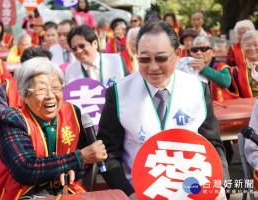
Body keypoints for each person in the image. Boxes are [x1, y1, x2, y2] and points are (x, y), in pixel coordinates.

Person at [97, 20, 229, 200]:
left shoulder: (197, 88)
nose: (153, 67)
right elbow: (108, 152)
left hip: (191, 190)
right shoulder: (118, 93)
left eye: (161, 58)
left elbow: (213, 143)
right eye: (144, 59)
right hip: (141, 192)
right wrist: (127, 193)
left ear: (178, 54)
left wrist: (220, 184)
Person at [0, 57, 108, 199]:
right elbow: (25, 169)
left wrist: (69, 169)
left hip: (66, 192)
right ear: (25, 94)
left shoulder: (72, 112)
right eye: (41, 89)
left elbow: (87, 160)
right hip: (22, 194)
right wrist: (77, 159)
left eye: (56, 87)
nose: (50, 95)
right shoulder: (12, 119)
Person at [0, 47, 52, 121]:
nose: (48, 70)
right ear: (26, 67)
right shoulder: (7, 88)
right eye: (43, 66)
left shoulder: (54, 87)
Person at [189, 35, 239, 101]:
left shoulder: (221, 66)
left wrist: (204, 68)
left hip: (220, 108)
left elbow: (225, 82)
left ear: (213, 52)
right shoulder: (188, 66)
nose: (198, 52)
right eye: (195, 50)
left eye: (203, 49)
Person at [232, 30, 258, 98]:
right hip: (248, 107)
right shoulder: (237, 71)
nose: (252, 48)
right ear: (242, 47)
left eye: (256, 45)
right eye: (248, 45)